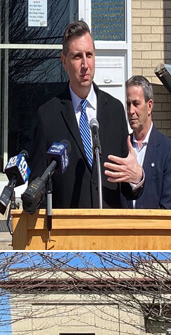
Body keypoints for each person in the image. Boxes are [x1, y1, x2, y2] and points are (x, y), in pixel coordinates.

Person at [30, 20, 142, 209]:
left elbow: (126, 186)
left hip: (108, 230)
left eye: (89, 55)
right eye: (77, 56)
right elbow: (37, 183)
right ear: (64, 61)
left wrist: (137, 178)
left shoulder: (114, 110)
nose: (85, 65)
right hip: (66, 232)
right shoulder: (48, 115)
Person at [108, 75, 171, 209]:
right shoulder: (121, 148)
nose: (131, 111)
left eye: (136, 104)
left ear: (149, 106)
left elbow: (170, 205)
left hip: (154, 228)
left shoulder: (168, 150)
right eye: (128, 104)